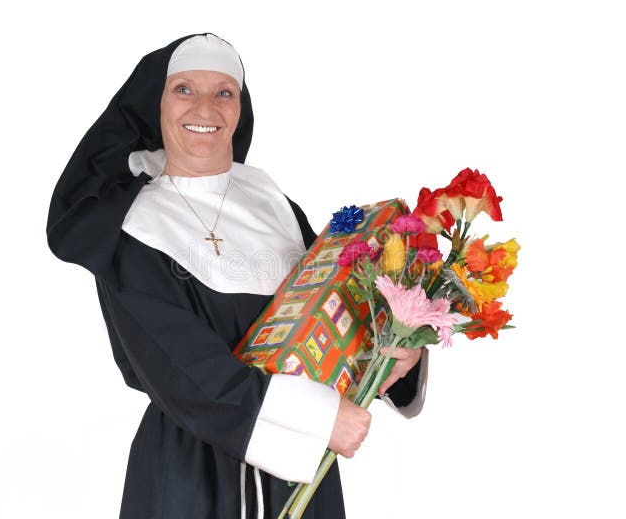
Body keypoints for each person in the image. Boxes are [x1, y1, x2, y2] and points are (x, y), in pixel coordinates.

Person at [46, 33, 430, 519]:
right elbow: (178, 367)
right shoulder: (129, 226)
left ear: (240, 108)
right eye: (184, 89)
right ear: (154, 104)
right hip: (191, 475)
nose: (205, 106)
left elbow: (332, 313)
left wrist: (398, 355)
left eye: (224, 91)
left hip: (304, 471)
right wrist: (320, 417)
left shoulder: (273, 204)